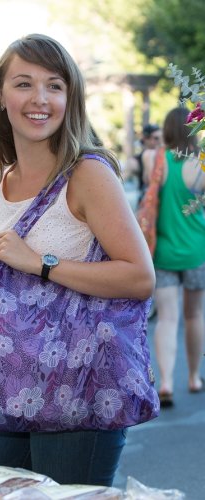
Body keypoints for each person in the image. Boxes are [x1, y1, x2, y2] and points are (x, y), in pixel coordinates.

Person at [0, 34, 155, 486]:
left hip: (77, 386)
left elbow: (140, 277)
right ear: (1, 97)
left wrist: (38, 261)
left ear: (70, 97)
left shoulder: (88, 174)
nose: (39, 99)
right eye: (23, 84)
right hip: (8, 384)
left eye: (54, 85)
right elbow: (13, 307)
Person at [142, 107, 205, 408]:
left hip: (163, 251)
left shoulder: (155, 160)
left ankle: (166, 382)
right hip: (197, 250)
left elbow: (148, 192)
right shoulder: (201, 163)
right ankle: (193, 376)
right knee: (194, 315)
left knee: (167, 317)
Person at [124, 123, 162, 200]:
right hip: (146, 204)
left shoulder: (166, 157)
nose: (160, 141)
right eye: (156, 138)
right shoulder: (134, 162)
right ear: (146, 139)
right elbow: (120, 181)